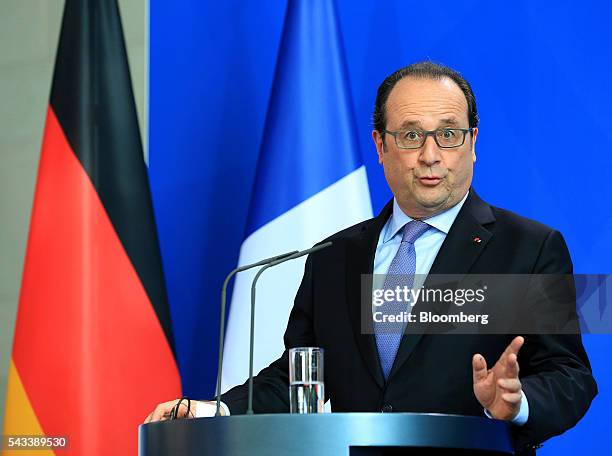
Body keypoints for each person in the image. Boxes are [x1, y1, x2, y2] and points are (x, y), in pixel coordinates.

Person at [144, 62, 597, 454]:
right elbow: (299, 375)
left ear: (473, 142)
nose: (430, 155)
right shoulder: (334, 255)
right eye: (411, 135)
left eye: (449, 134)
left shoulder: (528, 248)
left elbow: (570, 375)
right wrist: (216, 408)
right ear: (381, 146)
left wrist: (517, 404)